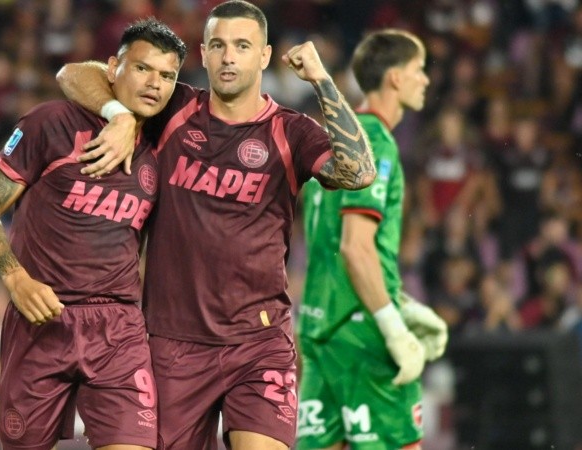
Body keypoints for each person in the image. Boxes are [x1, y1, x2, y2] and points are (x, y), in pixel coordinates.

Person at [56, 2, 376, 448]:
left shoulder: (291, 131)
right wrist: (120, 113)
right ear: (202, 54)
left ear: (263, 56)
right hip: (171, 341)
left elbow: (359, 172)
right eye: (219, 46)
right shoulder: (173, 110)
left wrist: (322, 80)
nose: (229, 57)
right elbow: (72, 74)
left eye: (242, 46)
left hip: (259, 341)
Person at [0, 18, 186, 450]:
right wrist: (15, 278)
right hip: (41, 318)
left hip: (119, 327)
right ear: (112, 68)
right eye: (142, 69)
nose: (155, 84)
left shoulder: (165, 146)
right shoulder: (51, 123)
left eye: (167, 76)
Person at [295, 29, 449, 450]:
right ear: (396, 78)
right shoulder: (375, 143)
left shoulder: (332, 142)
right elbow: (355, 247)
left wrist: (401, 303)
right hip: (362, 336)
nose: (426, 80)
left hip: (319, 328)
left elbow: (330, 248)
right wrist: (393, 327)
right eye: (419, 69)